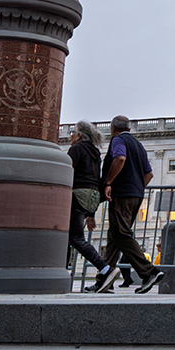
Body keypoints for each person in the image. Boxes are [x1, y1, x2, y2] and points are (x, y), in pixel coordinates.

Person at [92, 115, 165, 293]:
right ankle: (104, 279)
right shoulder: (139, 145)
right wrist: (137, 188)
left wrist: (108, 182)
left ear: (112, 128)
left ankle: (149, 272)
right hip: (136, 194)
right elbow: (149, 174)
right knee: (114, 236)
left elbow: (120, 159)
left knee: (121, 234)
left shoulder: (118, 140)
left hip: (122, 194)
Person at [67, 120, 113, 283]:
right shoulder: (95, 152)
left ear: (79, 135)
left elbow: (67, 171)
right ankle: (64, 270)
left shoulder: (76, 149)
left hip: (78, 194)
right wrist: (91, 213)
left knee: (75, 237)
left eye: (72, 133)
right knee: (70, 235)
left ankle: (105, 268)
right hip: (92, 196)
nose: (70, 136)